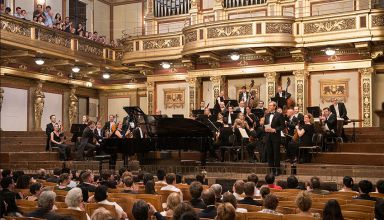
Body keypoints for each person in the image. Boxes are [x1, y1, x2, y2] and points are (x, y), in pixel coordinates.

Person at [264, 101, 285, 175]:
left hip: (276, 137)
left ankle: (277, 170)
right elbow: (265, 124)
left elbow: (283, 126)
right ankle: (271, 170)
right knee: (269, 154)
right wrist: (265, 128)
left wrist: (275, 129)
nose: (269, 107)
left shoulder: (279, 115)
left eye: (270, 105)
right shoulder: (266, 115)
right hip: (268, 136)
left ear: (274, 106)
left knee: (276, 154)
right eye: (269, 105)